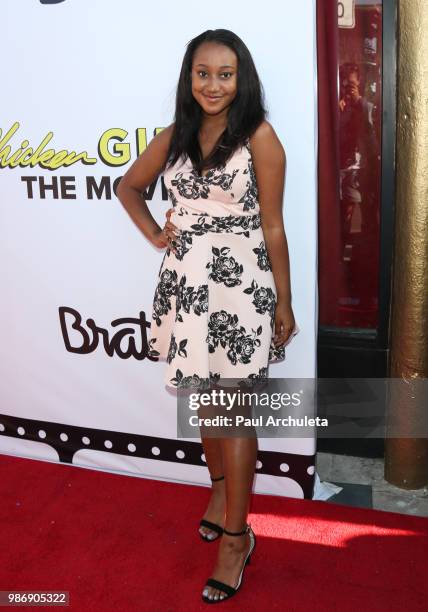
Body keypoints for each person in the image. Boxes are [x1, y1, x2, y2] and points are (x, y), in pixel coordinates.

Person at [117, 28, 299, 604]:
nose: (214, 84)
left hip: (241, 289)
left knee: (234, 410)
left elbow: (273, 226)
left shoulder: (260, 138)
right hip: (186, 289)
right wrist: (156, 234)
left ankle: (237, 538)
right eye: (203, 72)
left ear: (241, 78)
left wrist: (285, 302)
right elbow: (128, 187)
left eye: (225, 73)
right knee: (204, 399)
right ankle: (220, 492)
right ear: (188, 77)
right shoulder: (177, 135)